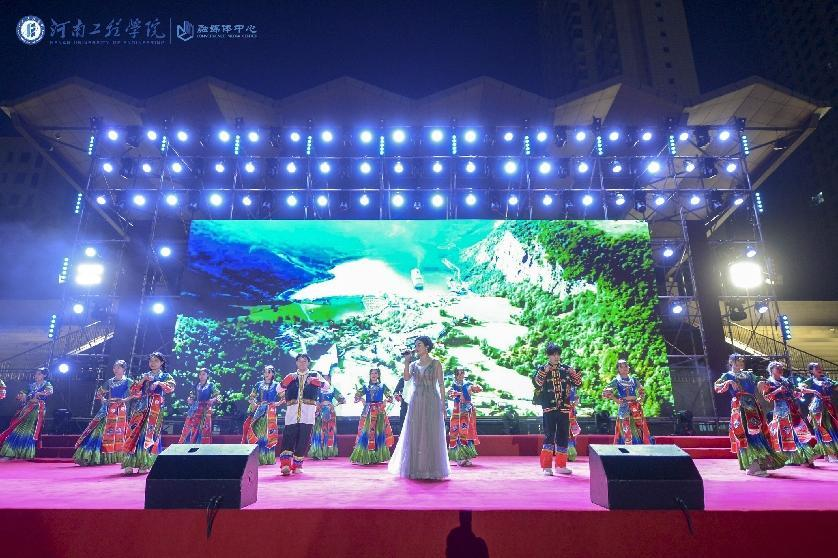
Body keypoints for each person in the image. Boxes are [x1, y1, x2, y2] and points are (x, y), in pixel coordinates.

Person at [388, 336, 450, 480]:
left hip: (432, 399)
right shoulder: (413, 365)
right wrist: (406, 362)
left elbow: (441, 384)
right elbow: (406, 378)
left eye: (419, 345)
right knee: (415, 432)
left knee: (431, 431)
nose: (416, 348)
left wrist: (443, 404)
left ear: (427, 347)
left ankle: (431, 469)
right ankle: (415, 468)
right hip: (416, 400)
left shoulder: (436, 363)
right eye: (416, 345)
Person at [714, 353, 785, 476]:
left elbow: (761, 380)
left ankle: (760, 463)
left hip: (753, 406)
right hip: (740, 407)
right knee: (745, 434)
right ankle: (752, 466)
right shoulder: (727, 375)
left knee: (757, 433)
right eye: (738, 361)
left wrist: (762, 382)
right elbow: (717, 387)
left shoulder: (748, 374)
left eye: (742, 361)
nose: (741, 363)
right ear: (731, 362)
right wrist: (729, 382)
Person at [122, 352, 176, 475]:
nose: (153, 363)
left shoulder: (166, 376)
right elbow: (133, 391)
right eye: (151, 360)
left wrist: (159, 383)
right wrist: (143, 380)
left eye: (156, 361)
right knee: (134, 432)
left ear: (162, 362)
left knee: (149, 433)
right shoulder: (144, 375)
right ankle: (129, 462)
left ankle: (145, 462)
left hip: (155, 408)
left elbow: (171, 388)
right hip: (141, 407)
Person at [532, 343, 582, 476]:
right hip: (549, 408)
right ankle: (546, 466)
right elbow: (537, 383)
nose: (556, 357)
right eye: (553, 355)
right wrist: (544, 371)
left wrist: (574, 373)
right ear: (548, 356)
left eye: (558, 354)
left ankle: (561, 465)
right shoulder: (542, 369)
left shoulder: (566, 369)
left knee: (563, 436)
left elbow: (578, 383)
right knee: (549, 436)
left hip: (564, 409)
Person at [73, 360, 133, 466]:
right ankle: (94, 455)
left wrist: (124, 400)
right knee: (101, 429)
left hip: (120, 409)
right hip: (108, 408)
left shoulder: (128, 381)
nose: (115, 369)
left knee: (118, 432)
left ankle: (113, 456)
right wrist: (103, 400)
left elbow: (137, 393)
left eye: (118, 367)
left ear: (124, 369)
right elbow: (99, 393)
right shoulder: (109, 381)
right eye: (114, 367)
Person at [758, 361, 816, 467]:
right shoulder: (768, 382)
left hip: (792, 409)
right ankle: (789, 458)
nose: (780, 370)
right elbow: (767, 397)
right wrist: (778, 390)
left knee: (799, 432)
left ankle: (804, 457)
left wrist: (797, 394)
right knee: (785, 434)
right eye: (778, 368)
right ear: (771, 370)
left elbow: (793, 392)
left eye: (781, 368)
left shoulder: (786, 381)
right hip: (781, 411)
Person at [278, 354, 327, 476]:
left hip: (308, 413)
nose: (302, 363)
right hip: (292, 412)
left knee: (303, 439)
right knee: (288, 437)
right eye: (299, 361)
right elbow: (278, 389)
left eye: (304, 361)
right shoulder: (291, 376)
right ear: (296, 363)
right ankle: (285, 464)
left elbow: (327, 387)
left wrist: (315, 381)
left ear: (308, 363)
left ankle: (297, 465)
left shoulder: (315, 374)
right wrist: (287, 381)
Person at [0, 367, 53, 460]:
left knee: (29, 430)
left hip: (38, 409)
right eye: (36, 374)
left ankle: (25, 454)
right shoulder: (31, 386)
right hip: (27, 408)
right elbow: (22, 395)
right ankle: (11, 453)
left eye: (39, 374)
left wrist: (39, 394)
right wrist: (22, 396)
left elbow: (49, 392)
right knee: (17, 428)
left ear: (44, 375)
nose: (36, 376)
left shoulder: (47, 384)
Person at [601, 360, 654, 445]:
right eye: (621, 367)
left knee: (639, 428)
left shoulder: (634, 380)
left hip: (636, 407)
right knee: (626, 428)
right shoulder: (617, 380)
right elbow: (605, 392)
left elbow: (642, 390)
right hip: (624, 407)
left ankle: (641, 446)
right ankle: (628, 446)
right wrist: (616, 400)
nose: (624, 368)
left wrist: (640, 398)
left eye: (626, 366)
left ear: (628, 367)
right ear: (618, 369)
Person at [350, 368, 395, 464]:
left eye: (375, 373)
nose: (374, 375)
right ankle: (365, 455)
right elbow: (357, 396)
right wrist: (361, 399)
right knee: (366, 431)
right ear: (370, 375)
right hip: (368, 411)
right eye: (372, 373)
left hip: (379, 411)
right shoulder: (365, 386)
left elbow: (390, 396)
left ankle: (378, 456)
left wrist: (386, 400)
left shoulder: (383, 386)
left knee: (379, 432)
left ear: (378, 375)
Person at [242, 365, 282, 466]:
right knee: (258, 433)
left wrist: (277, 403)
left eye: (269, 372)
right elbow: (251, 397)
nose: (266, 374)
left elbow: (284, 396)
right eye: (265, 372)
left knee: (269, 434)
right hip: (259, 410)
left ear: (273, 373)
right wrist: (254, 404)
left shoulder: (277, 385)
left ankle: (269, 458)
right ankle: (259, 458)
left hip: (270, 411)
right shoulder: (258, 384)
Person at [798, 362, 838, 462]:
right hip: (817, 408)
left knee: (832, 427)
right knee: (823, 429)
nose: (820, 369)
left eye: (820, 367)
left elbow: (836, 386)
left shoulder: (827, 379)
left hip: (828, 406)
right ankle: (828, 453)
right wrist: (813, 391)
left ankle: (829, 453)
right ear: (811, 371)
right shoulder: (810, 381)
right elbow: (801, 389)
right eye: (816, 368)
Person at [447, 368, 482, 466]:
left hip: (466, 411)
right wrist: (459, 394)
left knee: (467, 432)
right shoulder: (453, 385)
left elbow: (477, 389)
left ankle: (466, 456)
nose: (461, 375)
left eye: (462, 373)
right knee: (456, 432)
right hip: (457, 411)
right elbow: (450, 393)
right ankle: (458, 457)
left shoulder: (468, 384)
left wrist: (476, 388)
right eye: (459, 373)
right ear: (456, 375)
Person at [309, 371, 346, 460]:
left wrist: (333, 405)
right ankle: (317, 451)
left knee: (328, 431)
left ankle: (326, 452)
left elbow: (343, 400)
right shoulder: (317, 389)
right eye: (323, 379)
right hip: (319, 412)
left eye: (327, 378)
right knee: (318, 431)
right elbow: (310, 399)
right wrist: (316, 404)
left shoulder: (333, 389)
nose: (325, 380)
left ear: (330, 379)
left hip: (329, 412)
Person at [178, 368, 221, 444]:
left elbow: (217, 395)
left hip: (205, 408)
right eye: (200, 374)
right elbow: (192, 395)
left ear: (207, 375)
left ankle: (202, 445)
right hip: (195, 408)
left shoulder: (210, 385)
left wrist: (213, 400)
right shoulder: (196, 385)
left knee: (204, 428)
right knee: (190, 426)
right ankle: (188, 444)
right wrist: (190, 399)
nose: (201, 376)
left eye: (203, 374)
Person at [567, 386, 581, 462]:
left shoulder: (573, 408)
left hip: (572, 422)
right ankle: (569, 454)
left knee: (572, 438)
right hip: (567, 422)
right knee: (568, 438)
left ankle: (570, 455)